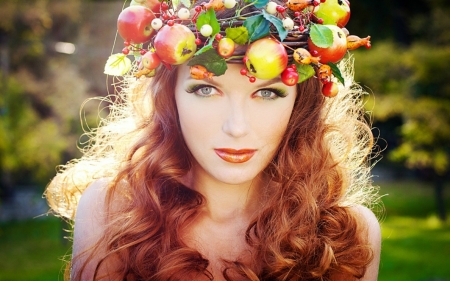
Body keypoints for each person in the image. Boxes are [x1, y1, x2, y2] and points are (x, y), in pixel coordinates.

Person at [46, 0, 381, 280]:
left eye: (266, 92)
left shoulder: (348, 235)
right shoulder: (112, 213)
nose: (236, 127)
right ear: (170, 98)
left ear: (300, 105)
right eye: (206, 89)